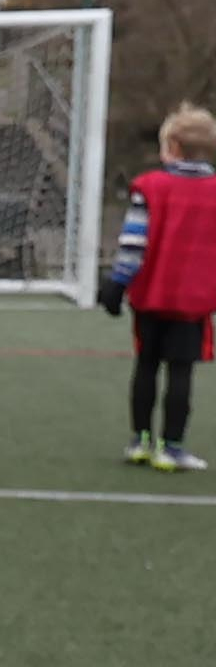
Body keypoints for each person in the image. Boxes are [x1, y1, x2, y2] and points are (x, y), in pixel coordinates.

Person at [100, 104, 216, 473]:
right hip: (193, 302)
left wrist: (118, 282)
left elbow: (134, 242)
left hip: (151, 296)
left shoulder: (150, 187)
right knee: (181, 371)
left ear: (174, 147)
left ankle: (140, 440)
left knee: (146, 365)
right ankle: (173, 447)